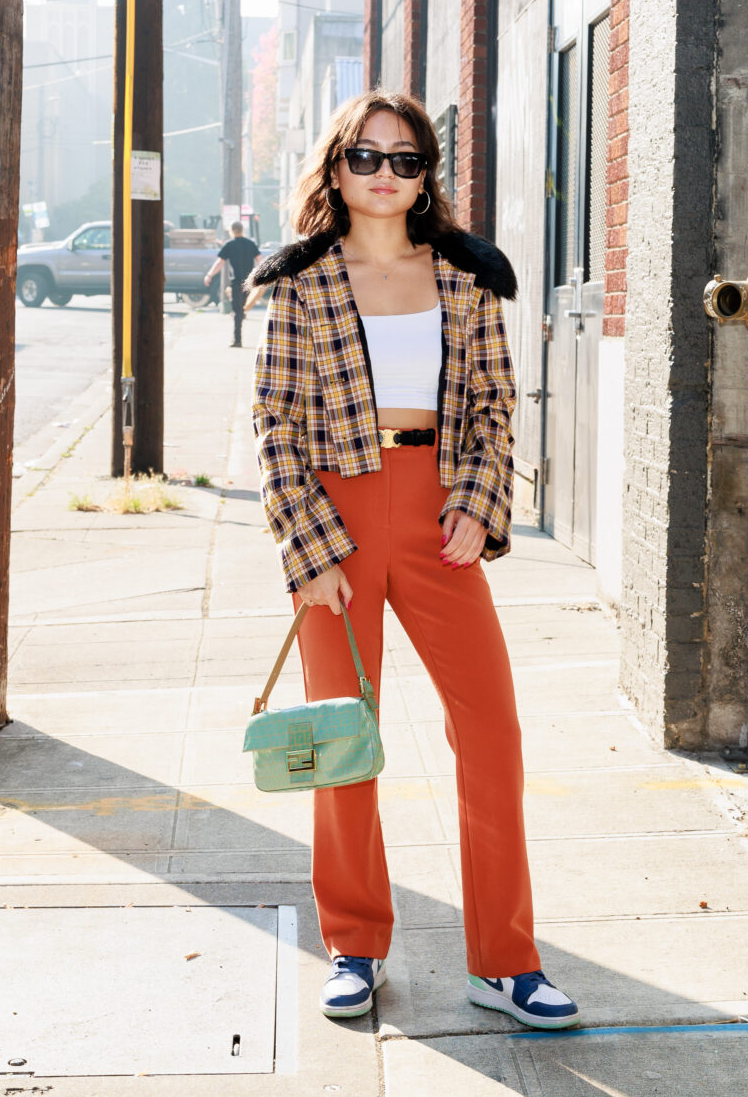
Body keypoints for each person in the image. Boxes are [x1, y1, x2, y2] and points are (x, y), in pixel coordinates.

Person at [248, 89, 580, 1030]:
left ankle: (505, 960)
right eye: (366, 156)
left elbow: (494, 403)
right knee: (343, 745)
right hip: (337, 518)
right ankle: (354, 945)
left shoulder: (467, 279)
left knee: (492, 731)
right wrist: (306, 548)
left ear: (426, 175)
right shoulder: (301, 281)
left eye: (406, 159)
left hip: (439, 513)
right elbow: (274, 423)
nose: (386, 175)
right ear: (337, 168)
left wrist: (479, 504)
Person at [206, 220, 261, 347]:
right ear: (242, 230)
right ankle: (238, 329)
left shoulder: (229, 244)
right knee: (240, 309)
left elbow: (220, 262)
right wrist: (259, 277)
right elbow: (259, 260)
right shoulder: (251, 244)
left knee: (237, 311)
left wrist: (210, 275)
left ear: (231, 231)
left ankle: (237, 340)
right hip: (249, 282)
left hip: (236, 282)